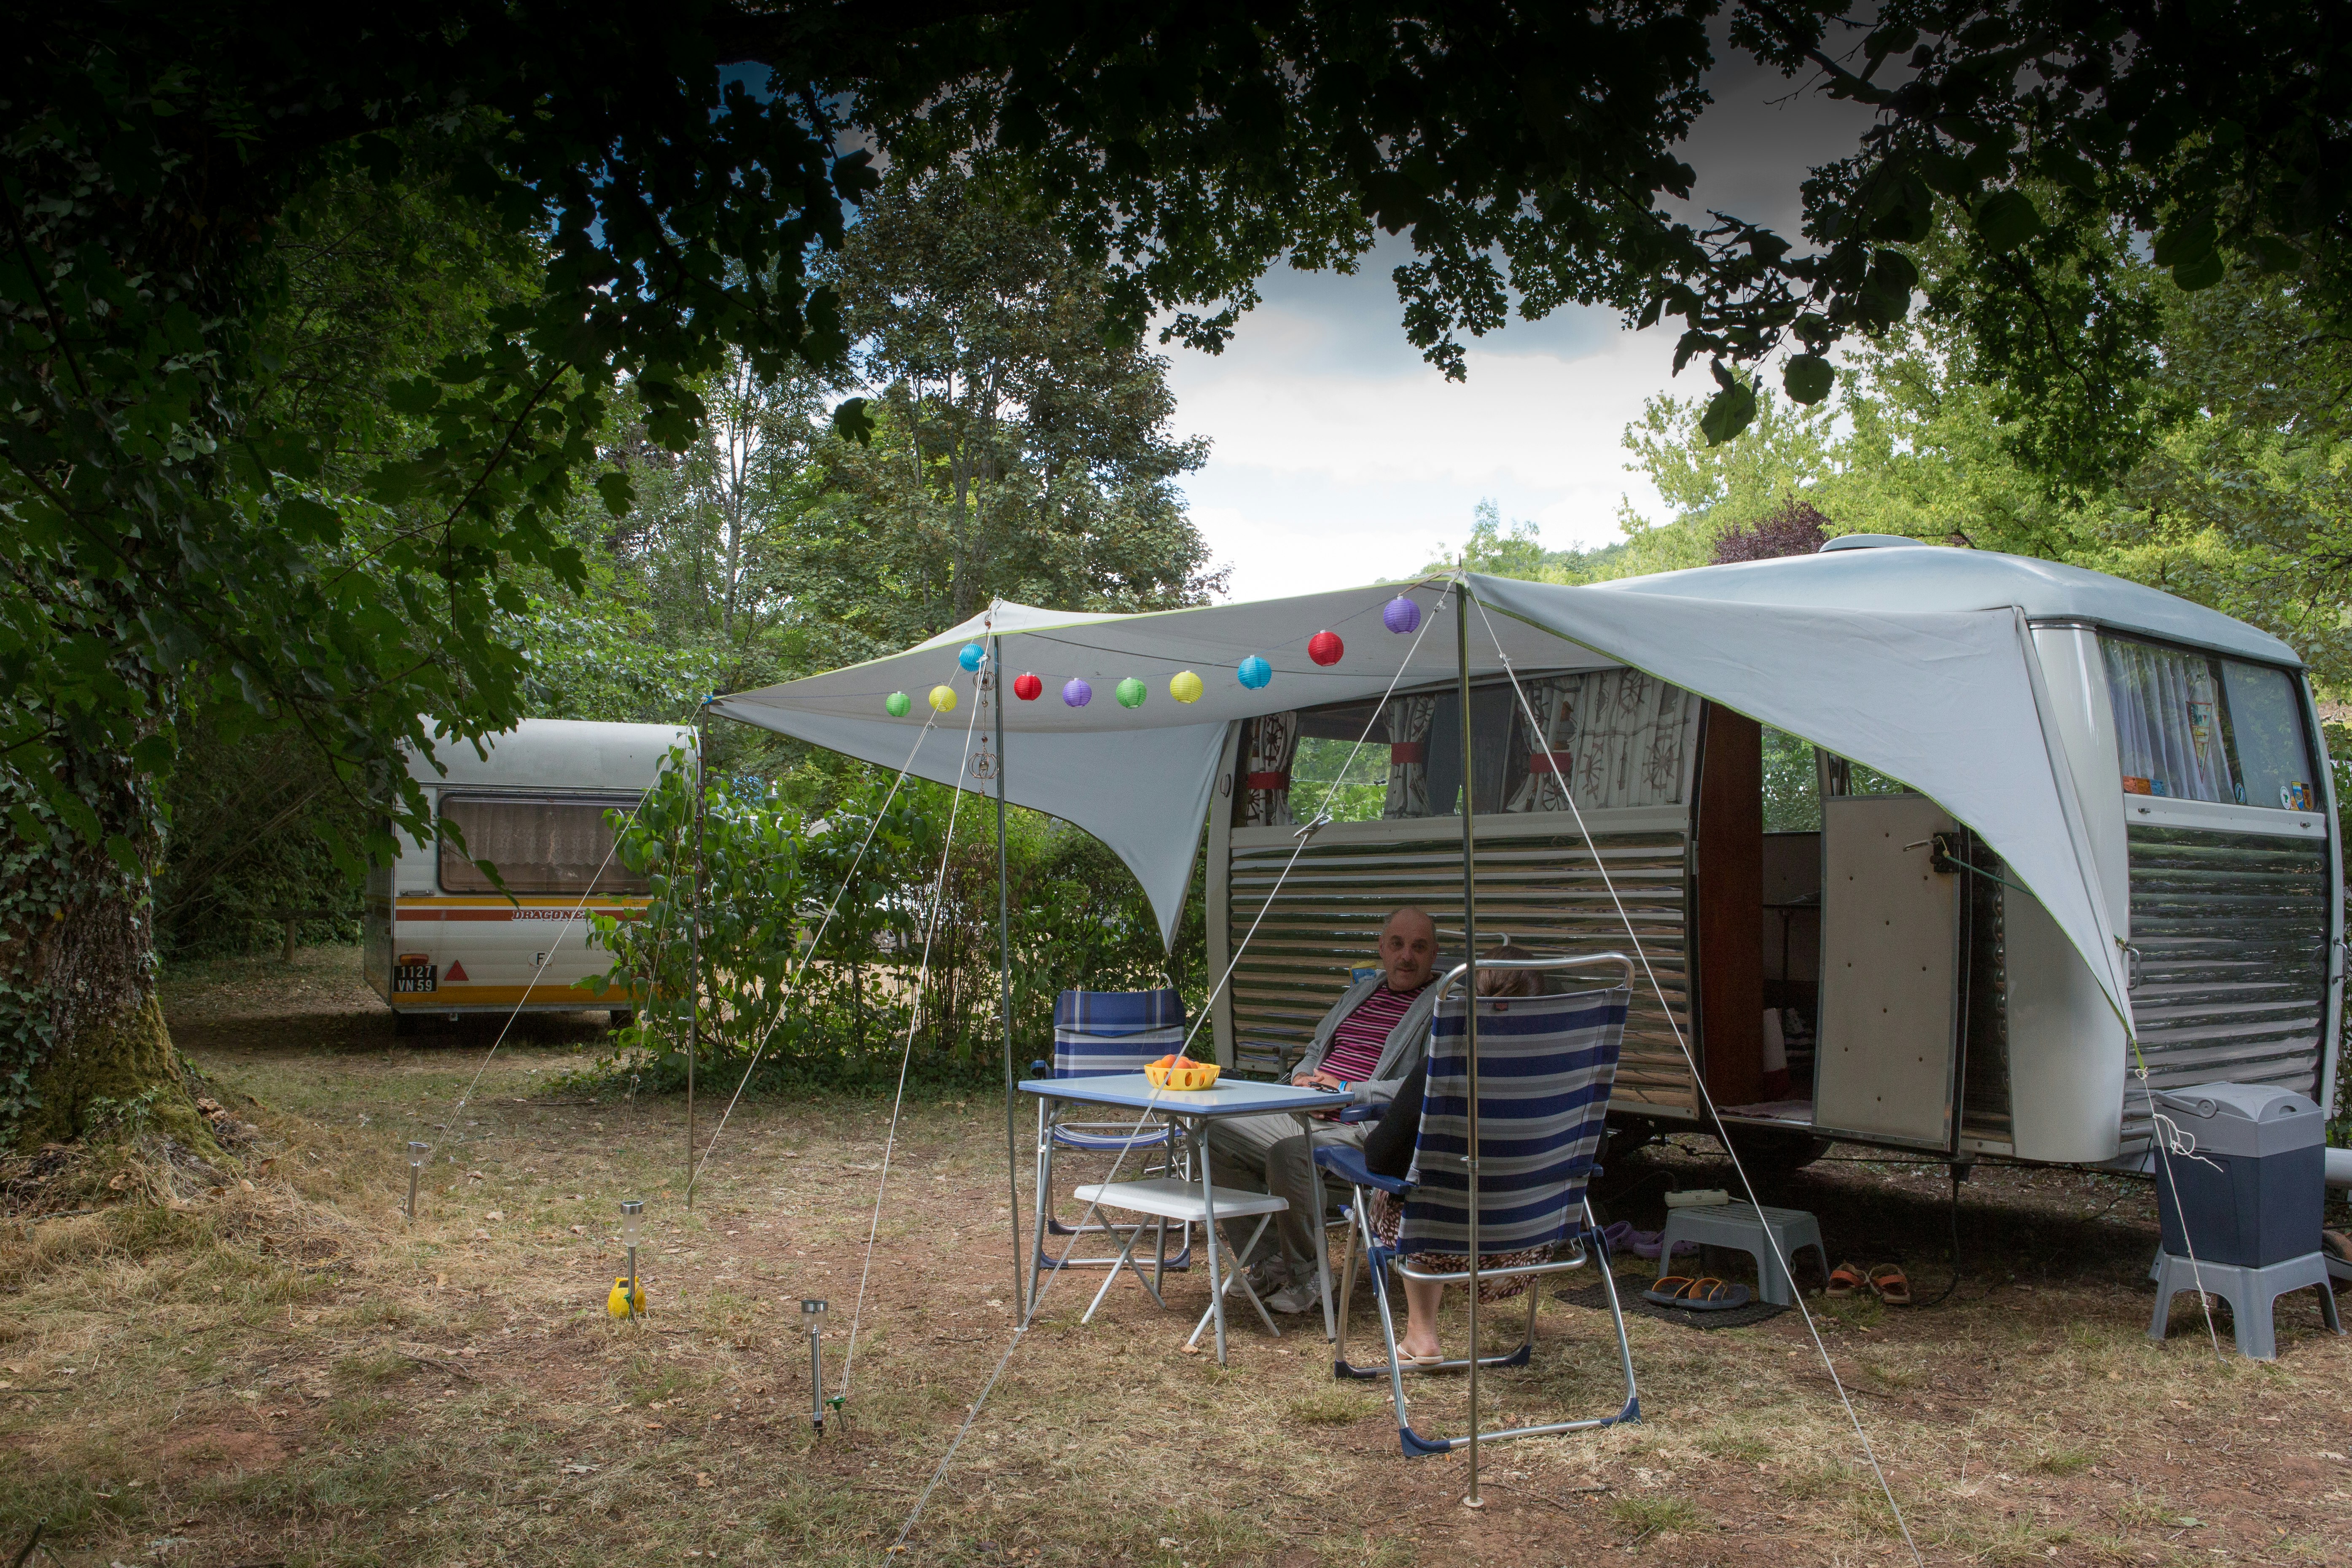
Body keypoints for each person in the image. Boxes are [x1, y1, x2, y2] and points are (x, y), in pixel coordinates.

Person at [1205, 906, 1443, 1315]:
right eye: (1397, 944)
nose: (1407, 956)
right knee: (1212, 1132)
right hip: (1308, 1106)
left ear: (1434, 954)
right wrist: (1301, 1077)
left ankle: (1312, 1274)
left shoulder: (1439, 1003)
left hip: (1364, 1123)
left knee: (1290, 1152)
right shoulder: (1360, 992)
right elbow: (1316, 1049)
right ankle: (1268, 1260)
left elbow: (1424, 1084)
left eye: (1418, 947)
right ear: (1382, 948)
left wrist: (1349, 1091)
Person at [1360, 942, 1556, 1366]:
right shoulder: (1561, 1064)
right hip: (1528, 1243)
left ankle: (1421, 1333)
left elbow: (1379, 1157)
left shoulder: (1446, 1058)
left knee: (1406, 1188)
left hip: (1446, 1243)